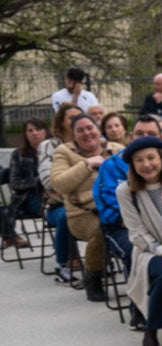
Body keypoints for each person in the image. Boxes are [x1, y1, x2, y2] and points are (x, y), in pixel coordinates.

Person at [51, 113, 123, 301]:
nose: (87, 133)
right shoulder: (64, 152)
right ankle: (93, 278)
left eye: (90, 128)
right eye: (80, 130)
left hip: (119, 209)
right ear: (73, 135)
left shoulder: (116, 149)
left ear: (98, 130)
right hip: (82, 215)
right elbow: (59, 184)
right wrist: (88, 164)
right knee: (102, 229)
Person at [117, 136, 162, 346]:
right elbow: (136, 231)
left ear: (161, 159)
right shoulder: (126, 191)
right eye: (139, 160)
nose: (146, 164)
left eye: (151, 157)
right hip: (148, 251)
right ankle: (151, 332)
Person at [94, 114, 162, 292]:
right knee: (136, 249)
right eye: (140, 133)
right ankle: (139, 307)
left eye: (151, 134)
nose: (145, 138)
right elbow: (107, 206)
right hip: (122, 228)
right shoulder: (111, 166)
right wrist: (140, 227)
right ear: (131, 137)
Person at [39, 103, 83, 284]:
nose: (76, 122)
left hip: (85, 202)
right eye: (71, 118)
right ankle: (62, 265)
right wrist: (80, 178)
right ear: (61, 122)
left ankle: (102, 265)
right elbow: (49, 181)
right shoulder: (49, 146)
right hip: (58, 205)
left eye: (79, 117)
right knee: (66, 216)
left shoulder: (87, 142)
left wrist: (70, 181)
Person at [1, 119, 49, 249]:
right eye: (30, 130)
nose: (35, 133)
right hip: (29, 199)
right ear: (25, 134)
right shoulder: (18, 155)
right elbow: (15, 183)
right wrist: (37, 182)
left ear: (45, 131)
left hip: (55, 193)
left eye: (38, 129)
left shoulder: (54, 151)